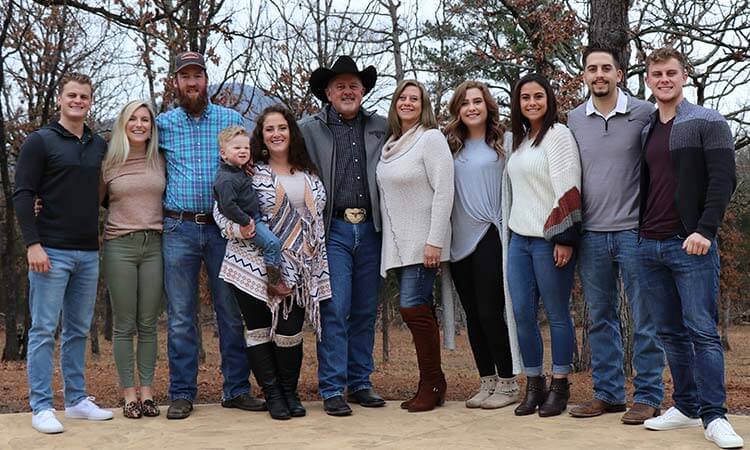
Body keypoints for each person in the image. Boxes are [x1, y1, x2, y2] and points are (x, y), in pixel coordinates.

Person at [637, 48, 743, 449]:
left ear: (684, 77)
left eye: (671, 73)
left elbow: (723, 180)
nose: (664, 79)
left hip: (691, 245)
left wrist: (706, 230)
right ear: (648, 80)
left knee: (702, 331)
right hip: (649, 244)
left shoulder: (707, 121)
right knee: (669, 332)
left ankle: (715, 416)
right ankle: (684, 405)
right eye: (656, 74)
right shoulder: (648, 127)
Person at [157, 51, 265, 419]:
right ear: (176, 82)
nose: (191, 83)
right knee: (182, 315)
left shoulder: (231, 120)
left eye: (197, 76)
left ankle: (235, 389)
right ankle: (182, 393)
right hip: (178, 227)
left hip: (225, 230)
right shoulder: (164, 125)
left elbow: (252, 166)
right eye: (184, 76)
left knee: (231, 312)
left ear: (206, 79)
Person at [567, 47, 665, 424]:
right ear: (585, 76)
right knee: (601, 319)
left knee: (645, 318)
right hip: (591, 234)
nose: (599, 74)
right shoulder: (575, 118)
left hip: (635, 233)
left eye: (606, 68)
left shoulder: (643, 113)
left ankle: (648, 396)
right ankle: (608, 395)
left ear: (620, 74)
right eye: (592, 69)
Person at [214, 104, 331, 420]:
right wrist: (238, 228)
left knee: (290, 331)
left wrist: (315, 263)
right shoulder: (250, 171)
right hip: (250, 262)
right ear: (260, 137)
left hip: (298, 266)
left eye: (282, 127)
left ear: (291, 131)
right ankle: (274, 394)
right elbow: (220, 209)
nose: (276, 134)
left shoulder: (310, 173)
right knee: (258, 329)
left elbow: (316, 221)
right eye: (269, 129)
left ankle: (290, 391)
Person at [14, 72, 113, 433]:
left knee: (77, 330)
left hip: (88, 252)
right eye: (72, 95)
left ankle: (76, 400)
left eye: (84, 96)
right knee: (42, 329)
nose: (78, 101)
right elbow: (23, 193)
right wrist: (32, 243)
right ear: (60, 98)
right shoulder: (39, 142)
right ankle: (41, 405)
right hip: (49, 250)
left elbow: (105, 193)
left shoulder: (98, 144)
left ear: (90, 101)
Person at [299, 55, 387, 416]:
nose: (347, 91)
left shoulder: (382, 126)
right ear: (328, 93)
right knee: (335, 308)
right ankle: (332, 387)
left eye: (353, 85)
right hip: (331, 228)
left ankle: (360, 383)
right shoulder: (307, 129)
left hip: (372, 228)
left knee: (366, 310)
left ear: (363, 90)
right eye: (340, 86)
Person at [503, 73, 582, 418]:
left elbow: (568, 188)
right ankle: (533, 384)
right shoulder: (520, 141)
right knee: (521, 313)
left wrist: (565, 238)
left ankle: (560, 385)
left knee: (557, 314)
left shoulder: (558, 135)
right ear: (518, 104)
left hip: (550, 239)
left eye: (538, 96)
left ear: (548, 99)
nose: (532, 102)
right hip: (518, 239)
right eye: (525, 98)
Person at [443, 80, 523, 410]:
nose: (471, 108)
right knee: (472, 316)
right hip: (457, 241)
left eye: (477, 101)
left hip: (490, 232)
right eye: (465, 103)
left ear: (487, 106)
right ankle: (486, 381)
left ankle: (508, 383)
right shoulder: (450, 146)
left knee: (491, 312)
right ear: (457, 110)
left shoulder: (504, 142)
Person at [376, 80, 454, 412]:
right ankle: (432, 382)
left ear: (424, 106)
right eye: (402, 98)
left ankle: (433, 382)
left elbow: (444, 190)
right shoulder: (390, 144)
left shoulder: (430, 139)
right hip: (399, 243)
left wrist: (435, 241)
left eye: (415, 99)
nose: (408, 103)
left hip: (424, 243)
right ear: (395, 104)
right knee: (416, 308)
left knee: (412, 307)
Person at [101, 100, 166, 419]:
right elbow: (84, 198)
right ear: (123, 124)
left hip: (154, 245)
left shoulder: (161, 159)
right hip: (119, 247)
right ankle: (129, 395)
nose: (139, 124)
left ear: (152, 127)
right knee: (125, 325)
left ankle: (148, 394)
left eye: (146, 120)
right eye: (133, 119)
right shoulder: (108, 162)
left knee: (149, 324)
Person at [212, 125, 290, 297]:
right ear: (223, 154)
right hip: (249, 220)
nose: (243, 151)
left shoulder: (238, 170)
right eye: (237, 148)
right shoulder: (226, 179)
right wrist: (246, 222)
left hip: (255, 215)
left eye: (246, 148)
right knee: (272, 243)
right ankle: (274, 283)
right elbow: (227, 206)